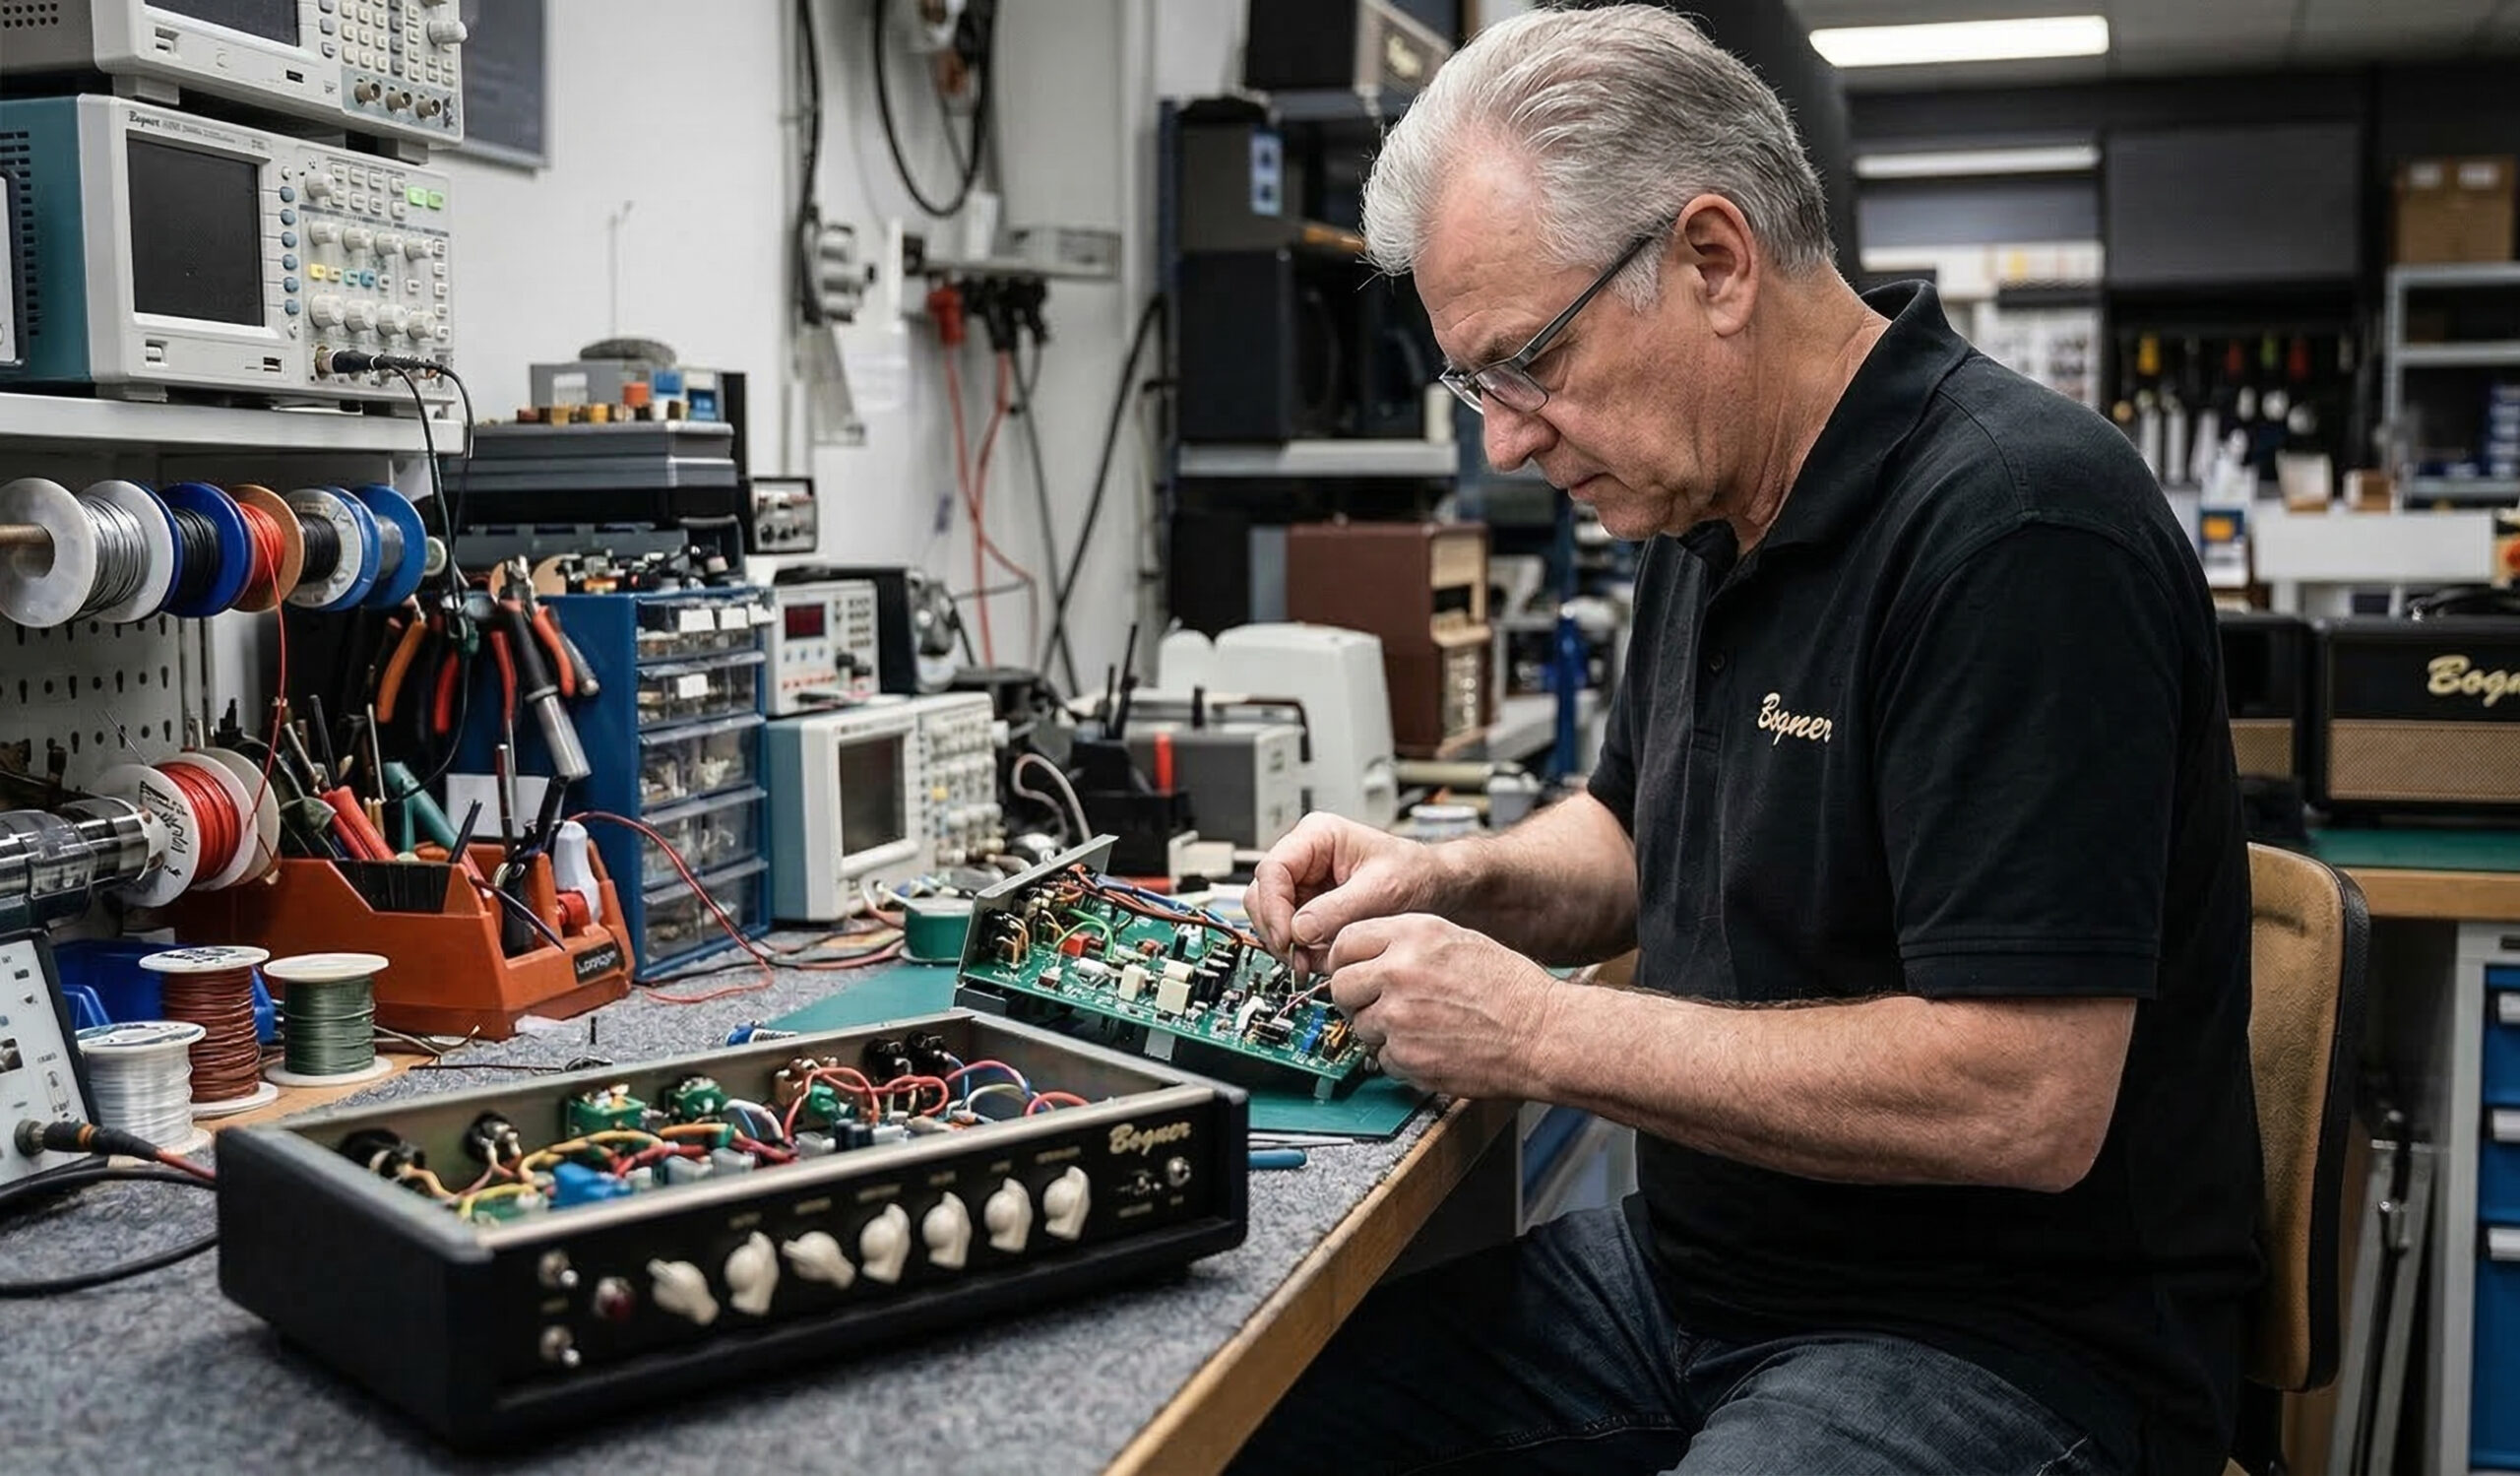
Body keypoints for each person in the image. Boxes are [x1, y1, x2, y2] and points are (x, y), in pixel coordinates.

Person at [1229, 7, 2259, 1476]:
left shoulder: (2020, 529)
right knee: (1252, 1437)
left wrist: (1536, 1030)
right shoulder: (1700, 500)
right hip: (1706, 1283)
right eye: (1479, 386)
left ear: (1713, 262)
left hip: (2005, 1342)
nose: (1507, 440)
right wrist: (1444, 881)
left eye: (1528, 362)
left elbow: (2026, 1097)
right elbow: (1637, 844)